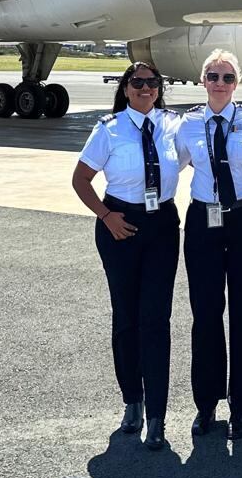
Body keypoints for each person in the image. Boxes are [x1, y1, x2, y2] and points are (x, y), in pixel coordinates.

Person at [71, 62, 182, 451]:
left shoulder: (173, 125)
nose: (146, 88)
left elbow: (211, 152)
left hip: (163, 226)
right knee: (126, 319)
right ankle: (132, 402)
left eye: (153, 82)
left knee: (156, 320)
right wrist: (106, 216)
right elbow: (80, 179)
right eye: (138, 82)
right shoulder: (109, 128)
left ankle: (157, 416)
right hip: (119, 223)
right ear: (126, 88)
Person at [176, 49, 242, 441]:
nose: (220, 84)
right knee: (205, 312)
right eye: (213, 76)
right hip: (205, 219)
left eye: (228, 77)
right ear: (203, 82)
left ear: (237, 84)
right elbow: (170, 165)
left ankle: (241, 405)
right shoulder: (186, 125)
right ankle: (206, 404)